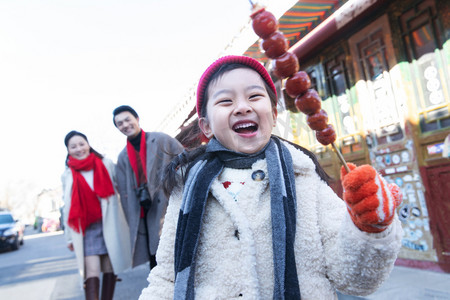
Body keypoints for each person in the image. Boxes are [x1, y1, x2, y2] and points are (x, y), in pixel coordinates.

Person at [139, 55, 404, 299]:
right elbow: (166, 279)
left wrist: (369, 228)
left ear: (274, 114)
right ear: (206, 125)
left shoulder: (305, 180)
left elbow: (356, 280)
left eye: (254, 96)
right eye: (225, 101)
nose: (242, 107)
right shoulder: (186, 187)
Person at [62, 130, 131, 300]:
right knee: (91, 271)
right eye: (73, 146)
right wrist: (69, 237)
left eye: (81, 144)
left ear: (88, 144)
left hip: (108, 222)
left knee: (109, 268)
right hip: (85, 228)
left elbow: (120, 187)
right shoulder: (67, 174)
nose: (79, 149)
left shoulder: (105, 163)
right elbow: (67, 206)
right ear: (68, 150)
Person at [113, 105, 184, 269]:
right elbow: (124, 192)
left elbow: (185, 159)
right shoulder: (123, 156)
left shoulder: (160, 139)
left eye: (127, 120)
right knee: (155, 258)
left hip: (167, 204)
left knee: (174, 252)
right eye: (119, 123)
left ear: (137, 119)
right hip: (144, 210)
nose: (125, 125)